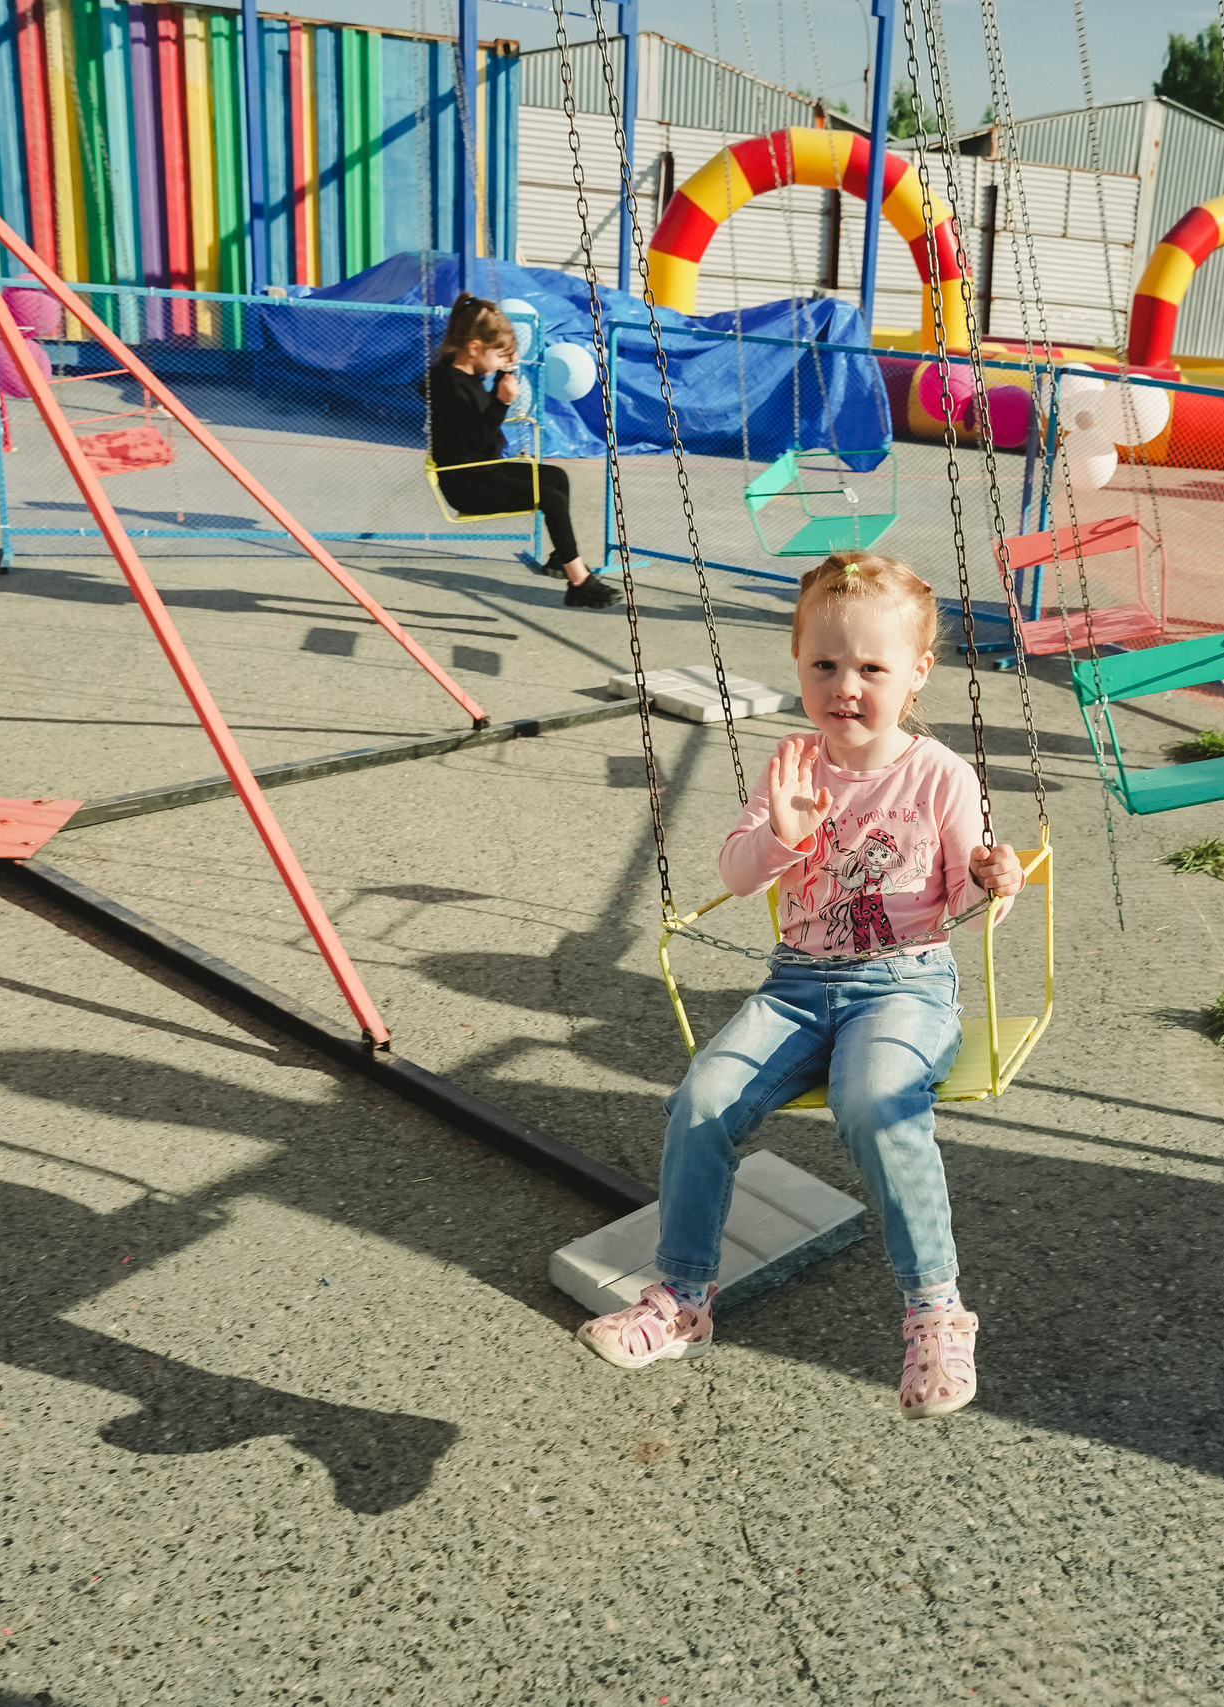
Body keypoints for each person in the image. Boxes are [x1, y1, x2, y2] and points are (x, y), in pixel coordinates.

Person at [577, 552, 1027, 1419]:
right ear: (797, 662)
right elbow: (739, 873)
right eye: (824, 663)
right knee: (702, 1099)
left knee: (873, 1100)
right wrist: (780, 833)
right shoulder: (793, 763)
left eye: (871, 668)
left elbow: (970, 901)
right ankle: (682, 1298)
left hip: (904, 984)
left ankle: (935, 1308)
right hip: (796, 986)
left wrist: (990, 876)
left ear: (917, 673)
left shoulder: (940, 773)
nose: (844, 686)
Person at [421, 293, 617, 609]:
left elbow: (479, 416)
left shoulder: (466, 375)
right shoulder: (449, 387)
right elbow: (474, 440)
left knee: (556, 477)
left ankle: (561, 557)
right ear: (474, 348)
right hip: (466, 484)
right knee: (550, 498)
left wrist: (502, 372)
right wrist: (501, 402)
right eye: (499, 356)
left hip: (484, 469)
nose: (502, 362)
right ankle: (579, 582)